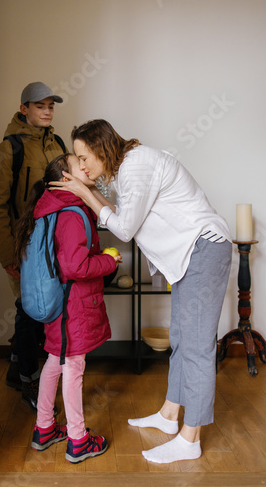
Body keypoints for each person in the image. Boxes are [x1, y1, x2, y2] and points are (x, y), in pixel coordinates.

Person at [49, 118, 232, 464]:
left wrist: (86, 194)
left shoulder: (136, 166)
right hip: (191, 254)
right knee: (180, 337)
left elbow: (124, 228)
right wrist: (90, 193)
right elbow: (124, 215)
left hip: (203, 249)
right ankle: (168, 415)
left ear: (102, 148)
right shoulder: (128, 169)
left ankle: (190, 438)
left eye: (84, 157)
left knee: (195, 347)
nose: (83, 165)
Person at [14, 153, 121, 463]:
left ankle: (44, 428)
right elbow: (74, 266)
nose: (86, 167)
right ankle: (78, 439)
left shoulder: (51, 207)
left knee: (54, 361)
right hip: (75, 304)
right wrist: (109, 261)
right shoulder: (72, 213)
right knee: (73, 367)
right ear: (64, 176)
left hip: (58, 301)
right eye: (79, 164)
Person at [0, 82, 67, 412]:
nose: (47, 111)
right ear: (24, 109)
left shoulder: (57, 144)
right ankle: (31, 382)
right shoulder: (8, 150)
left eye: (51, 106)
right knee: (31, 312)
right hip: (24, 247)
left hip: (54, 244)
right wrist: (8, 256)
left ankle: (17, 370)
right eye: (40, 106)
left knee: (40, 311)